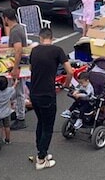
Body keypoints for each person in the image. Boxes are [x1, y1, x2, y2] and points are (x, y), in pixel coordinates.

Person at [28, 28, 73, 170]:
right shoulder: (57, 51)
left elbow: (30, 69)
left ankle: (41, 152)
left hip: (34, 93)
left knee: (40, 122)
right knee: (48, 126)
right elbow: (70, 71)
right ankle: (41, 160)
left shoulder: (34, 51)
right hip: (47, 94)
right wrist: (66, 84)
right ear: (51, 38)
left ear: (40, 38)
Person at [3, 8, 28, 131]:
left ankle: (21, 118)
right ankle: (18, 112)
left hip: (18, 66)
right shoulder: (19, 28)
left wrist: (15, 68)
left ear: (6, 18)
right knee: (17, 91)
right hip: (20, 65)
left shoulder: (15, 32)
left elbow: (18, 50)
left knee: (18, 92)